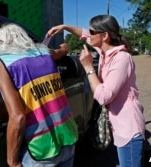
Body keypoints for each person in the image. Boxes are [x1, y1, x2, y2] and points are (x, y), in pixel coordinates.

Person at [47, 15, 145, 167]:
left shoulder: (122, 59)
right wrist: (65, 27)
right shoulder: (104, 52)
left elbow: (104, 97)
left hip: (128, 128)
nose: (89, 35)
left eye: (93, 32)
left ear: (104, 35)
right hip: (118, 125)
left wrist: (88, 67)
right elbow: (83, 34)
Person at [0, 23, 78, 167]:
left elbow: (18, 117)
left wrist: (12, 161)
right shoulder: (44, 52)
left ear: (1, 43)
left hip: (41, 150)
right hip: (68, 136)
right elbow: (61, 52)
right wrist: (65, 47)